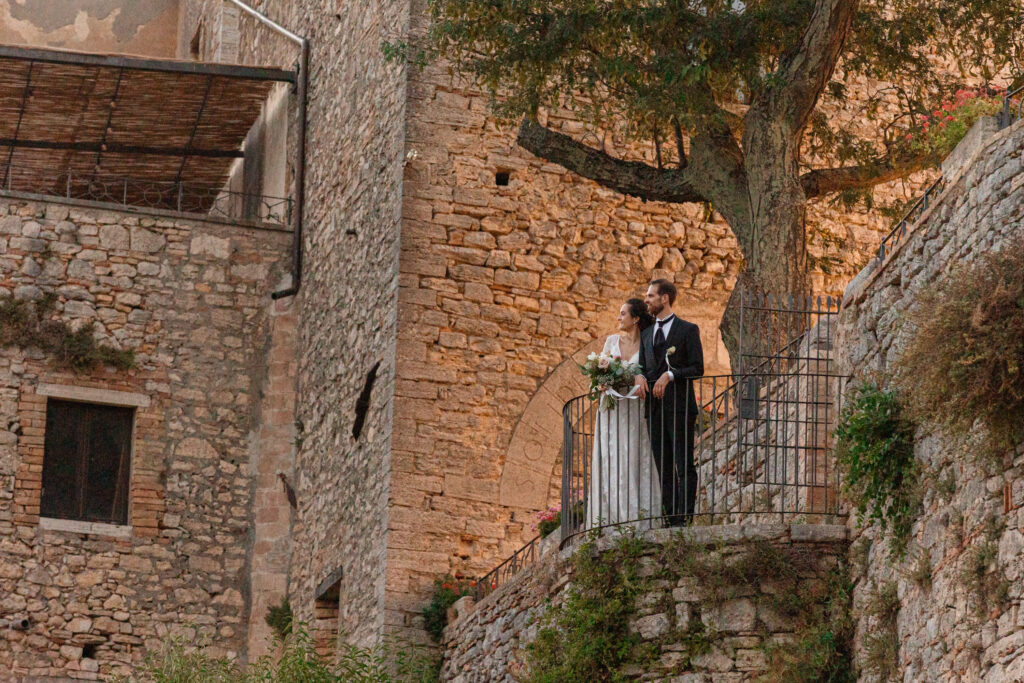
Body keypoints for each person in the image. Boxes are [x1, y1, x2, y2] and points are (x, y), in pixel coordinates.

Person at [586, 298, 662, 531]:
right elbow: (598, 375)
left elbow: (652, 372)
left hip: (635, 409)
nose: (618, 318)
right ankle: (609, 521)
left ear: (636, 318)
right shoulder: (611, 341)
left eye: (622, 314)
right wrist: (603, 382)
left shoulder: (648, 344)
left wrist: (642, 377)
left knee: (634, 454)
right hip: (612, 409)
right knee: (612, 455)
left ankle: (638, 517)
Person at [633, 279, 704, 525]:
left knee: (683, 464)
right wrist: (639, 376)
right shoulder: (645, 334)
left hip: (681, 408)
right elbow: (642, 366)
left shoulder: (687, 330)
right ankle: (669, 517)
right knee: (662, 466)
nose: (647, 301)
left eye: (651, 296)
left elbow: (698, 368)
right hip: (653, 408)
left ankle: (684, 518)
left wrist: (671, 375)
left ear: (665, 298)